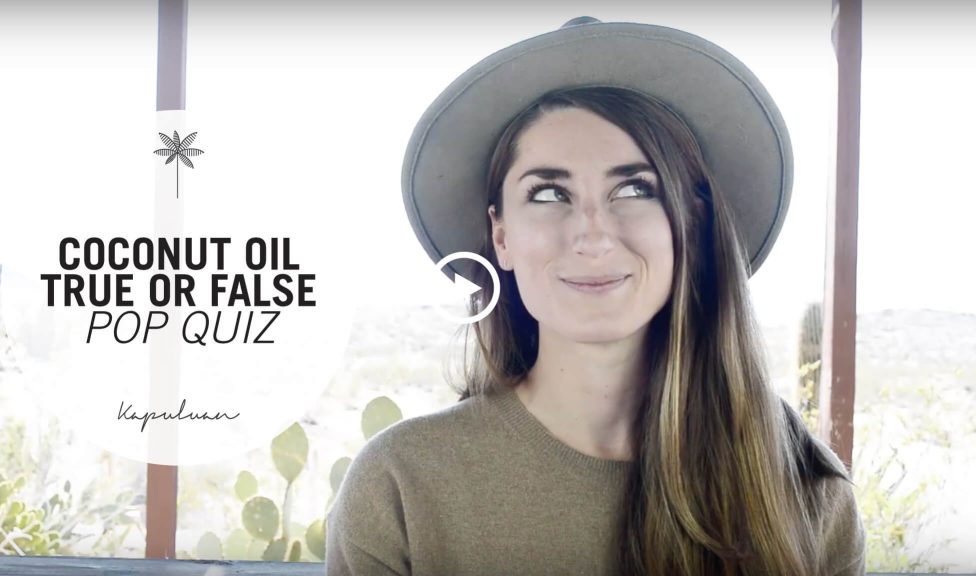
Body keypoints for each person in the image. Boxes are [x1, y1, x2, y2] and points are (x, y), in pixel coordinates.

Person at [326, 17, 865, 576]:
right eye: (548, 193)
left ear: (692, 224)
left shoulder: (805, 494)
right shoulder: (399, 487)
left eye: (635, 188)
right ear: (502, 237)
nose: (592, 235)